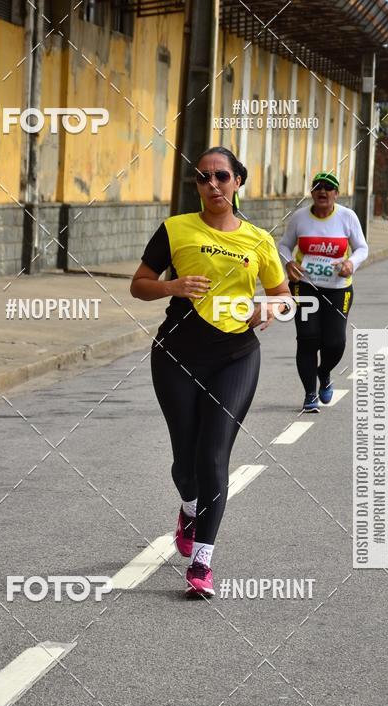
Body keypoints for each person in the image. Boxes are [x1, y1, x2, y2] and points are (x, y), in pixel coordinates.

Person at [130, 147, 289, 598]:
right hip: (176, 355)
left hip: (235, 355)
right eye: (203, 177)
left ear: (239, 180)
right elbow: (139, 285)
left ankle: (202, 563)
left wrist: (270, 305)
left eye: (221, 175)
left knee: (214, 453)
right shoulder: (175, 229)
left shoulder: (258, 240)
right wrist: (171, 286)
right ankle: (188, 505)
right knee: (186, 459)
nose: (212, 184)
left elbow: (283, 292)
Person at [278, 171, 368, 412]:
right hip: (305, 288)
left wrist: (351, 264)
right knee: (307, 340)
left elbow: (362, 248)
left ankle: (324, 372)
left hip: (338, 289)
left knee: (335, 342)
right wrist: (288, 262)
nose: (322, 191)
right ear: (312, 193)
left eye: (328, 188)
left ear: (336, 194)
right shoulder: (299, 218)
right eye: (318, 187)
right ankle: (309, 394)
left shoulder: (347, 217)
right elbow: (284, 245)